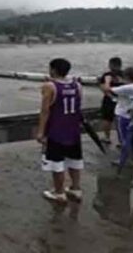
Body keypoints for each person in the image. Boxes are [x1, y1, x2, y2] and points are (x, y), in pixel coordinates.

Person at [37, 58, 84, 202]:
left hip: (56, 130)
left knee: (56, 163)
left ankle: (59, 192)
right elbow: (78, 105)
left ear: (53, 70)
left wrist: (41, 131)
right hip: (73, 128)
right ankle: (75, 189)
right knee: (74, 160)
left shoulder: (49, 86)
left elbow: (45, 111)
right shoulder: (77, 85)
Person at [111, 67, 133, 167]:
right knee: (130, 138)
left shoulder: (129, 87)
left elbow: (108, 89)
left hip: (123, 115)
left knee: (124, 139)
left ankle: (123, 160)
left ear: (127, 76)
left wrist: (106, 81)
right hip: (132, 115)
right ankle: (131, 158)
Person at [99, 57, 124, 145]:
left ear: (110, 65)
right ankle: (121, 140)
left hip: (109, 100)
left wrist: (111, 97)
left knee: (107, 119)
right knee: (120, 120)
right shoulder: (124, 74)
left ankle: (107, 137)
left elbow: (104, 88)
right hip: (123, 100)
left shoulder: (107, 75)